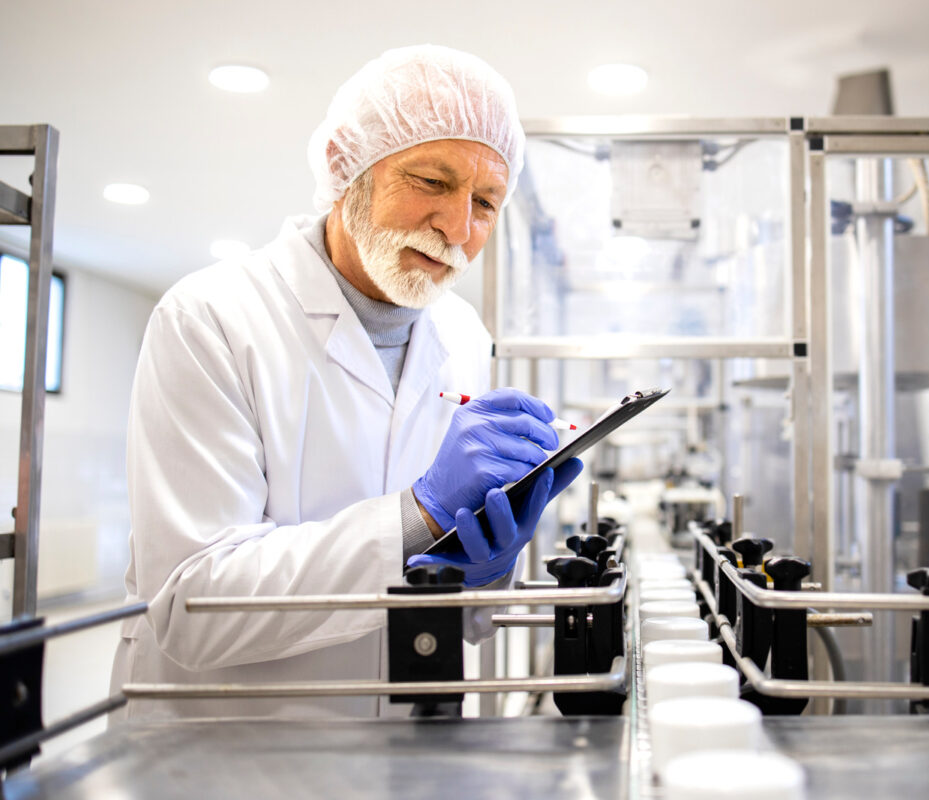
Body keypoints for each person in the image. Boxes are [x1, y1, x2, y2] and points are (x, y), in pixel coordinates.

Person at [110, 45, 582, 719]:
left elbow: (455, 609)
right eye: (431, 182)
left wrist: (482, 572)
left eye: (485, 201)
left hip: (402, 748)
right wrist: (416, 518)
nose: (458, 227)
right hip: (228, 751)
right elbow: (190, 604)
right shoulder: (212, 318)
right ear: (344, 169)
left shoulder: (464, 336)